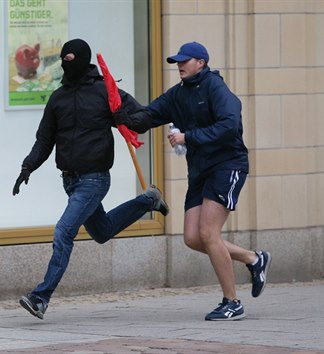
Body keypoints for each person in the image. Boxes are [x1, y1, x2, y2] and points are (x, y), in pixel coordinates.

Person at [12, 38, 169, 320]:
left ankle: (40, 297)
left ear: (83, 61)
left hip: (95, 179)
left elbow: (143, 118)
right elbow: (44, 140)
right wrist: (28, 167)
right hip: (70, 181)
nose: (66, 65)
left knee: (63, 231)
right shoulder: (57, 98)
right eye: (63, 60)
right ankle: (148, 200)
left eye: (71, 60)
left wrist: (125, 116)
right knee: (102, 231)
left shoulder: (104, 92)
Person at [115, 41, 271, 321]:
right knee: (192, 238)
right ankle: (253, 258)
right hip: (199, 170)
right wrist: (118, 109)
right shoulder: (177, 95)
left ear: (201, 62)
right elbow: (148, 116)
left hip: (227, 165)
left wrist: (189, 137)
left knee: (209, 234)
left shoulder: (216, 88)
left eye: (185, 61)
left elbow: (229, 124)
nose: (179, 66)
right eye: (177, 61)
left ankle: (232, 302)